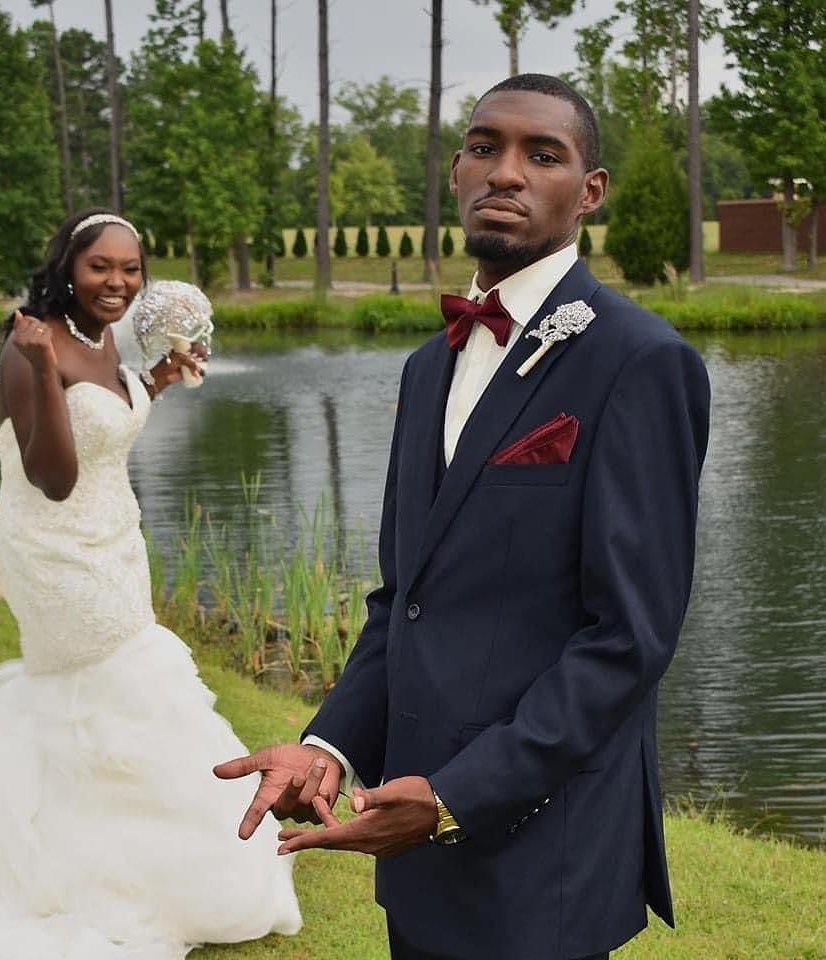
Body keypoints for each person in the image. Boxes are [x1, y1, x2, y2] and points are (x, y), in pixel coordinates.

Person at [214, 75, 711, 960]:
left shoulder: (641, 362)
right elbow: (406, 599)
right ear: (455, 172)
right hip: (414, 836)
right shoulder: (424, 369)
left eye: (542, 154)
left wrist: (454, 796)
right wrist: (328, 744)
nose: (506, 173)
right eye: (485, 147)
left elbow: (628, 639)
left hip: (541, 843)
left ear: (588, 192)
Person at [0, 208, 301, 959]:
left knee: (92, 698)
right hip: (54, 551)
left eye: (131, 268)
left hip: (115, 542)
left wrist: (157, 380)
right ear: (67, 265)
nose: (119, 282)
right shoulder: (28, 347)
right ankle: (97, 873)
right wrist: (39, 366)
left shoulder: (103, 341)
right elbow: (56, 476)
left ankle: (92, 859)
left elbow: (107, 421)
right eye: (101, 266)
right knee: (127, 678)